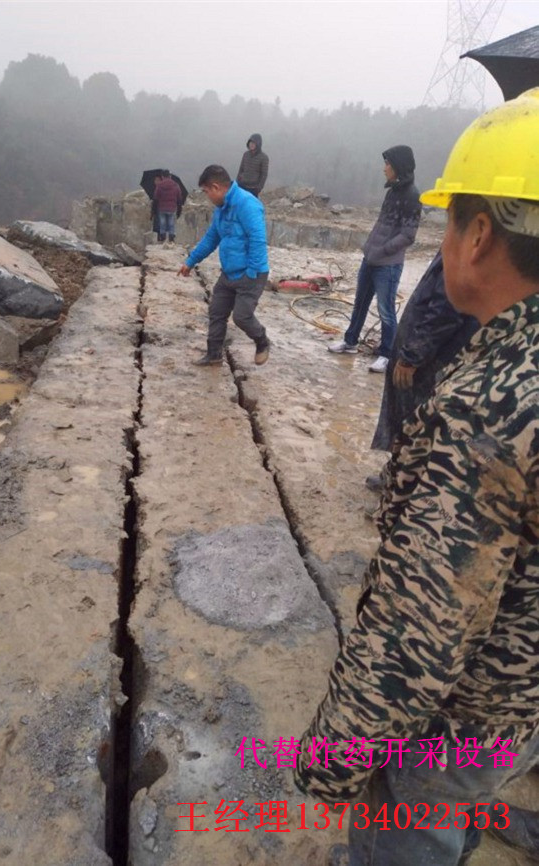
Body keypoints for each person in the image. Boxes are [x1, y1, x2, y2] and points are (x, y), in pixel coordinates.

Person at [295, 88, 539, 866]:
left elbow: (418, 633)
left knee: (407, 838)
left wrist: (333, 759)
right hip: (527, 699)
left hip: (470, 720)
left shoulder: (489, 410)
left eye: (449, 223)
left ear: (477, 233)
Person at [365, 251, 479, 492]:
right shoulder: (461, 246)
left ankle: (403, 487)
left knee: (414, 422)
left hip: (429, 361)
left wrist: (413, 356)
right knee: (411, 422)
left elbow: (445, 310)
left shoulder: (466, 252)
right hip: (427, 354)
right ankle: (397, 475)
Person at [328, 146, 421, 373]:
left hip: (387, 265)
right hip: (370, 259)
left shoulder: (412, 196)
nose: (384, 168)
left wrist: (383, 250)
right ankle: (350, 342)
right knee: (359, 303)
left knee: (385, 309)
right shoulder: (392, 192)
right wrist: (369, 247)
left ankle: (387, 354)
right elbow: (382, 225)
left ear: (398, 166)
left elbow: (408, 235)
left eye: (388, 164)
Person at [178, 164, 270, 366]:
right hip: (229, 273)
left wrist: (252, 273)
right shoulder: (221, 209)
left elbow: (257, 240)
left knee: (242, 317)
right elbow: (212, 238)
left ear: (216, 187)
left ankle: (262, 341)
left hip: (251, 274)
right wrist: (191, 261)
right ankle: (214, 355)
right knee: (216, 312)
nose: (207, 196)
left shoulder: (247, 204)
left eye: (206, 192)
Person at [153, 169, 183, 244]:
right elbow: (179, 198)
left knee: (162, 223)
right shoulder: (175, 185)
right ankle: (171, 239)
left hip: (162, 207)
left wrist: (154, 209)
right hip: (172, 208)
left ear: (162, 176)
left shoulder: (159, 185)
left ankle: (162, 238)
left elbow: (156, 198)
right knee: (171, 223)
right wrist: (179, 210)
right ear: (170, 176)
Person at [236, 133, 269, 198]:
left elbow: (264, 174)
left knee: (250, 206)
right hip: (242, 185)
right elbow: (241, 169)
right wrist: (238, 180)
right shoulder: (246, 154)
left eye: (254, 143)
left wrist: (259, 188)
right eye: (250, 143)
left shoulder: (263, 157)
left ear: (258, 144)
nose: (251, 145)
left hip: (253, 188)